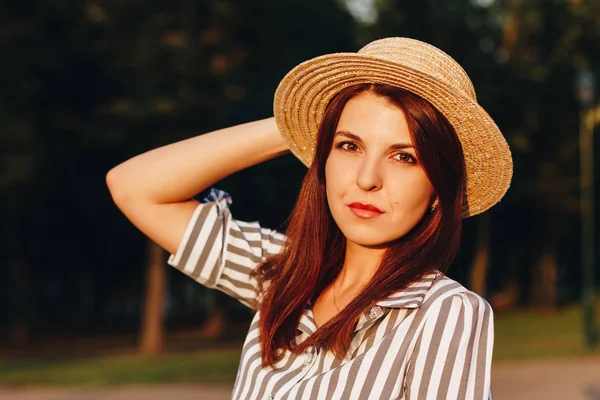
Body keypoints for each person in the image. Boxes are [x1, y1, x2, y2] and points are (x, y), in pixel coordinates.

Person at [107, 37, 512, 399]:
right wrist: (299, 124)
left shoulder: (445, 311)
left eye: (404, 157)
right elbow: (135, 187)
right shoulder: (280, 273)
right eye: (349, 146)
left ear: (438, 191)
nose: (368, 179)